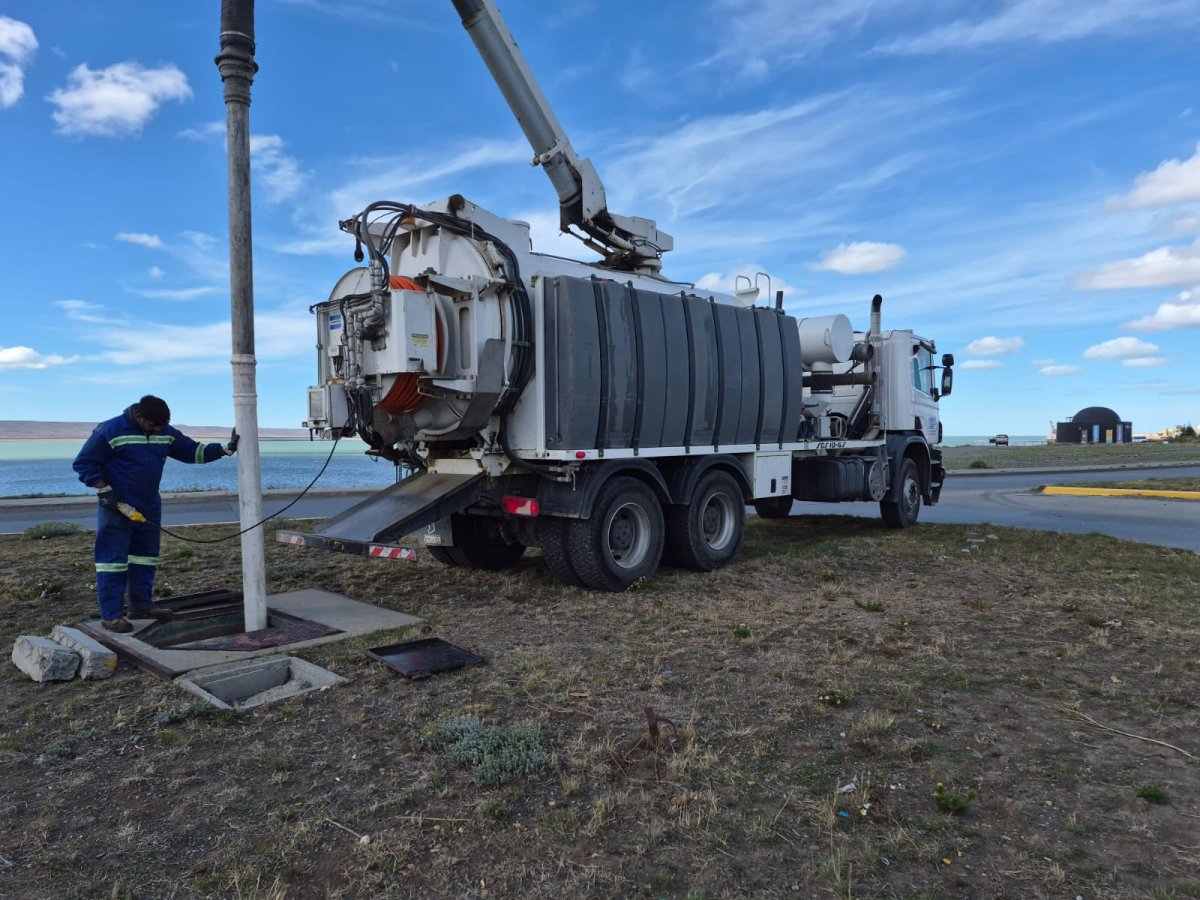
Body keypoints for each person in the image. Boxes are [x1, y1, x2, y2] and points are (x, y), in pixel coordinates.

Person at [72, 395, 239, 632]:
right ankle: (111, 617)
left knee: (145, 558)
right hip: (117, 506)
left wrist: (224, 449)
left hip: (149, 505)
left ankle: (141, 606)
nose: (158, 429)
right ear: (139, 416)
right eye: (153, 425)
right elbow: (84, 463)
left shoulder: (164, 431)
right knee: (112, 563)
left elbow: (191, 451)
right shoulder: (111, 430)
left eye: (162, 425)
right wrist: (103, 489)